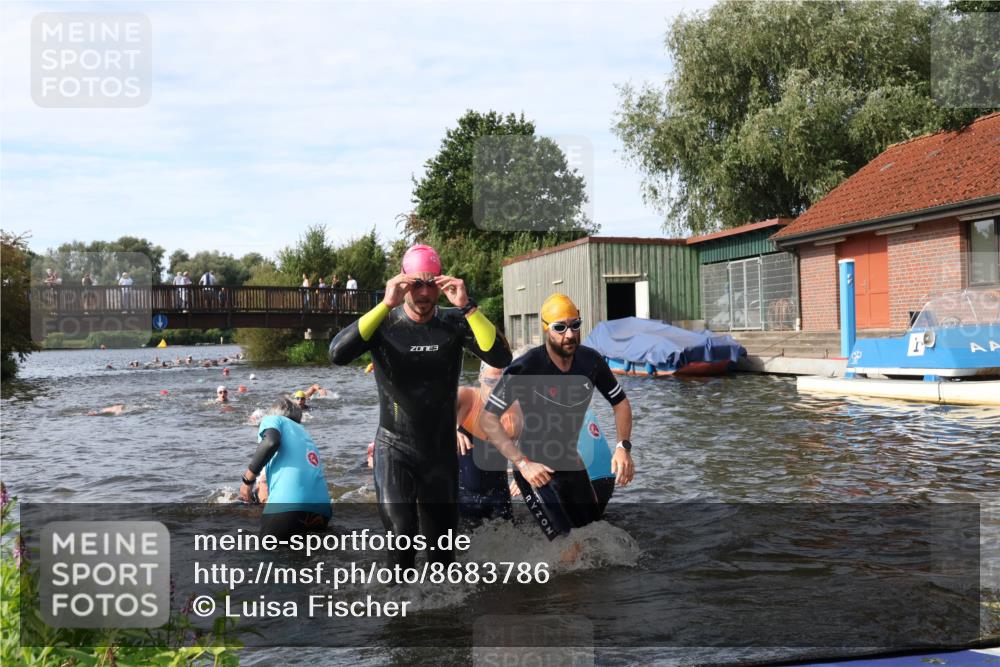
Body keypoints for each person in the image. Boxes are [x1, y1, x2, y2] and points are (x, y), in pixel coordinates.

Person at [329, 243, 511, 568]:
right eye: (416, 284)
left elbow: (500, 357)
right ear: (403, 282)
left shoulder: (455, 322)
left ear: (441, 284)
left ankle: (443, 616)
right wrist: (385, 304)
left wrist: (468, 307)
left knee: (442, 553)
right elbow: (337, 354)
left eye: (431, 284)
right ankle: (400, 613)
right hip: (394, 448)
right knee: (402, 536)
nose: (424, 293)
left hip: (439, 453)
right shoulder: (384, 324)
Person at [480, 294, 635, 540]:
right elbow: (488, 419)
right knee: (566, 546)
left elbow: (620, 403)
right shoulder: (526, 367)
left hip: (572, 464)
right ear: (546, 329)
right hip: (535, 469)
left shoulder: (590, 361)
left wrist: (622, 447)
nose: (570, 334)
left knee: (596, 538)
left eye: (575, 325)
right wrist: (521, 463)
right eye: (560, 328)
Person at [237, 397, 332, 539]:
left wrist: (247, 481)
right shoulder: (305, 434)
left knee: (267, 557)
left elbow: (270, 442)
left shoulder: (274, 420)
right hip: (322, 511)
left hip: (289, 505)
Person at [455, 361, 522, 525]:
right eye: (490, 382)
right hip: (464, 495)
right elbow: (434, 412)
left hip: (499, 495)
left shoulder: (515, 410)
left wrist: (522, 477)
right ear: (480, 377)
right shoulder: (466, 396)